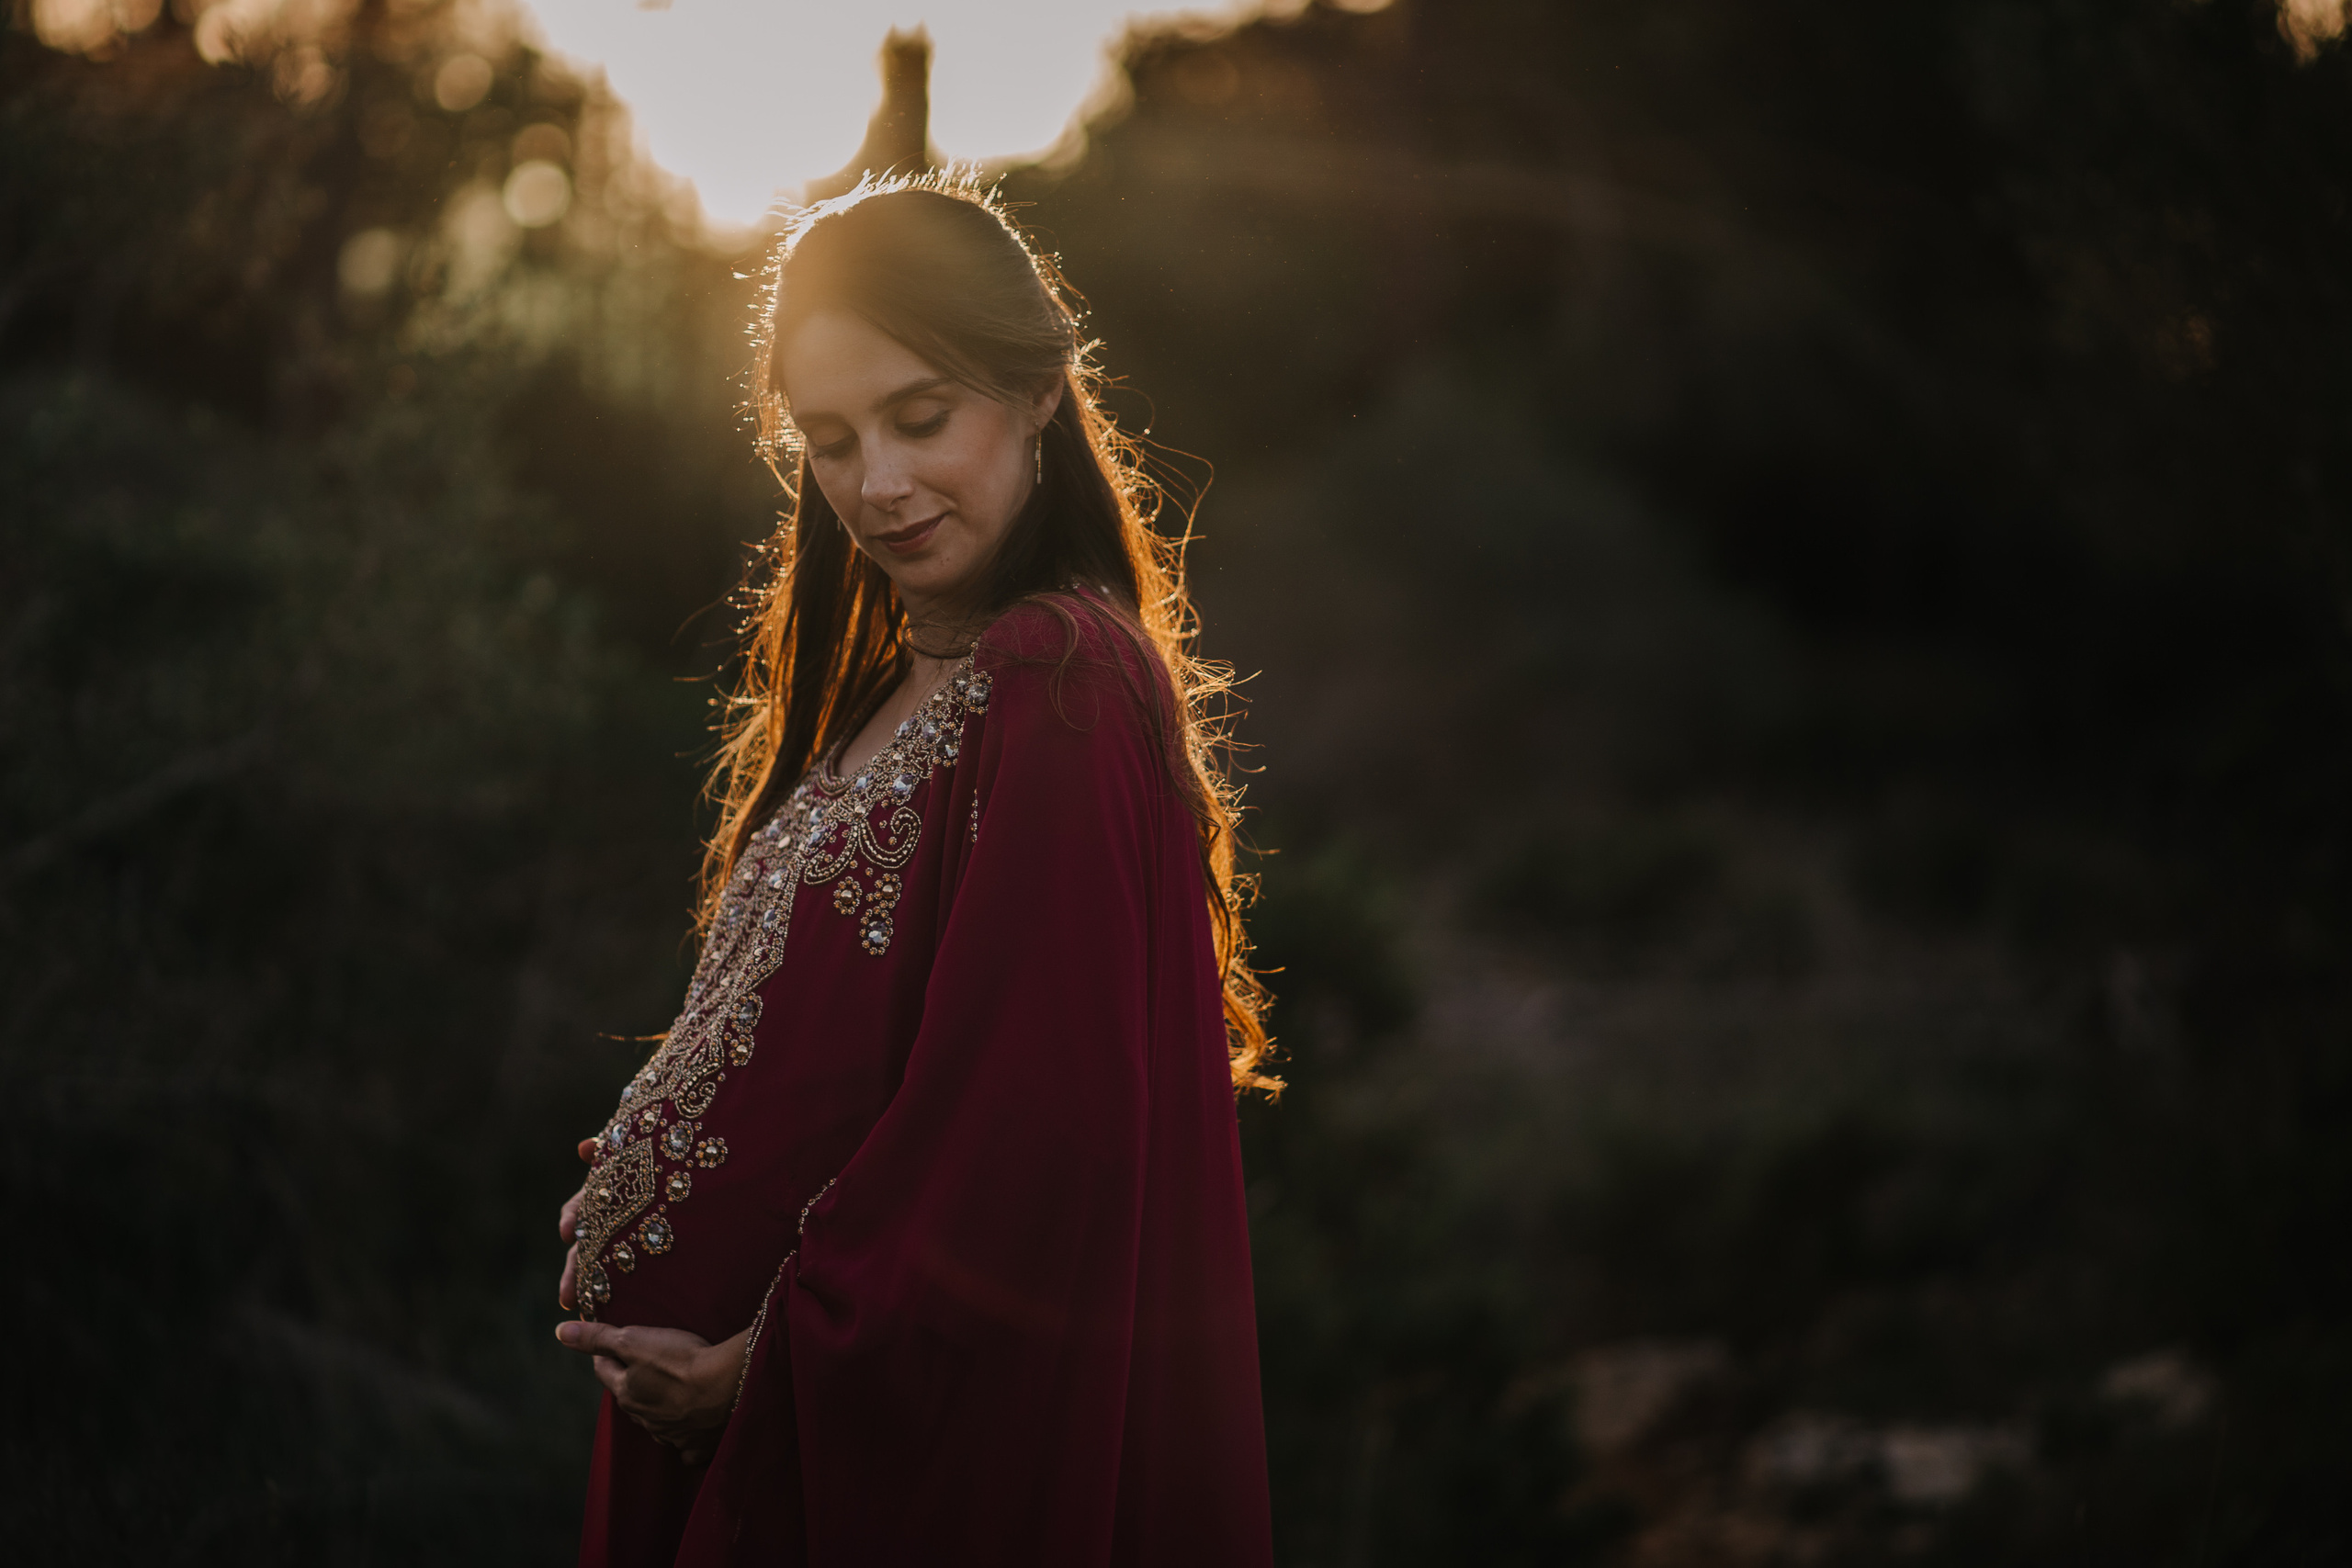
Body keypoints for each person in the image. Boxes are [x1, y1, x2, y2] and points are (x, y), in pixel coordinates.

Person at [549, 174, 1281, 1567]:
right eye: (828, 441)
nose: (875, 485)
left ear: (1040, 391)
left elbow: (1031, 1137)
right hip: (725, 1434)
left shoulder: (1052, 680)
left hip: (834, 1448)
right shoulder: (905, 678)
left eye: (920, 418)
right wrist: (667, 1143)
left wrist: (766, 1369)